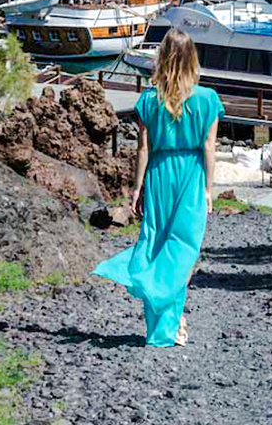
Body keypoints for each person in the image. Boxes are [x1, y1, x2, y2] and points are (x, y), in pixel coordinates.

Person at [93, 28, 223, 346]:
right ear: (192, 58)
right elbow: (209, 147)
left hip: (159, 175)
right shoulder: (208, 99)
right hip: (191, 176)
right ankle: (174, 318)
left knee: (158, 245)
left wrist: (138, 188)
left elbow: (143, 148)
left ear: (161, 59)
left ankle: (168, 321)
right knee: (183, 250)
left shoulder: (149, 100)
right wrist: (209, 188)